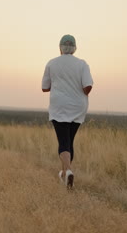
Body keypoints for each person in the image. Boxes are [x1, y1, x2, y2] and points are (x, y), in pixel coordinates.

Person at [41, 34, 93, 189]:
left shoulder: (52, 63)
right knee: (69, 141)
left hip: (59, 107)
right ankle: (64, 175)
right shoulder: (82, 64)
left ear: (60, 48)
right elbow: (88, 87)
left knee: (63, 141)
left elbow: (45, 87)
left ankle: (68, 171)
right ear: (74, 48)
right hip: (78, 107)